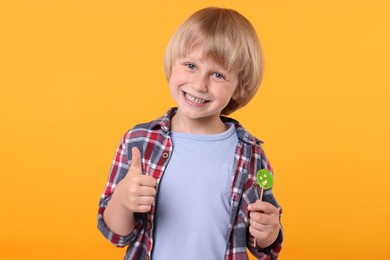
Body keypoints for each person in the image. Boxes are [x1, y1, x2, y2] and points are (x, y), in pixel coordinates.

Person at [98, 7, 283, 260]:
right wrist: (121, 200)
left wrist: (268, 232)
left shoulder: (252, 154)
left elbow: (263, 244)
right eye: (190, 65)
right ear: (172, 64)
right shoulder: (139, 142)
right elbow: (116, 233)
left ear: (240, 86)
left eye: (218, 74)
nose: (199, 84)